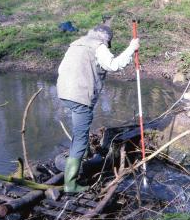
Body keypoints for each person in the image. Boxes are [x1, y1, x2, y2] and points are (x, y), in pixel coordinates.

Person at [57, 23, 139, 194]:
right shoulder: (99, 46)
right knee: (80, 138)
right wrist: (132, 48)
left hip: (64, 93)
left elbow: (61, 68)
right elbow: (114, 65)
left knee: (80, 129)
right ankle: (70, 184)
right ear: (106, 39)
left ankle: (85, 155)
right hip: (80, 97)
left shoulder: (77, 43)